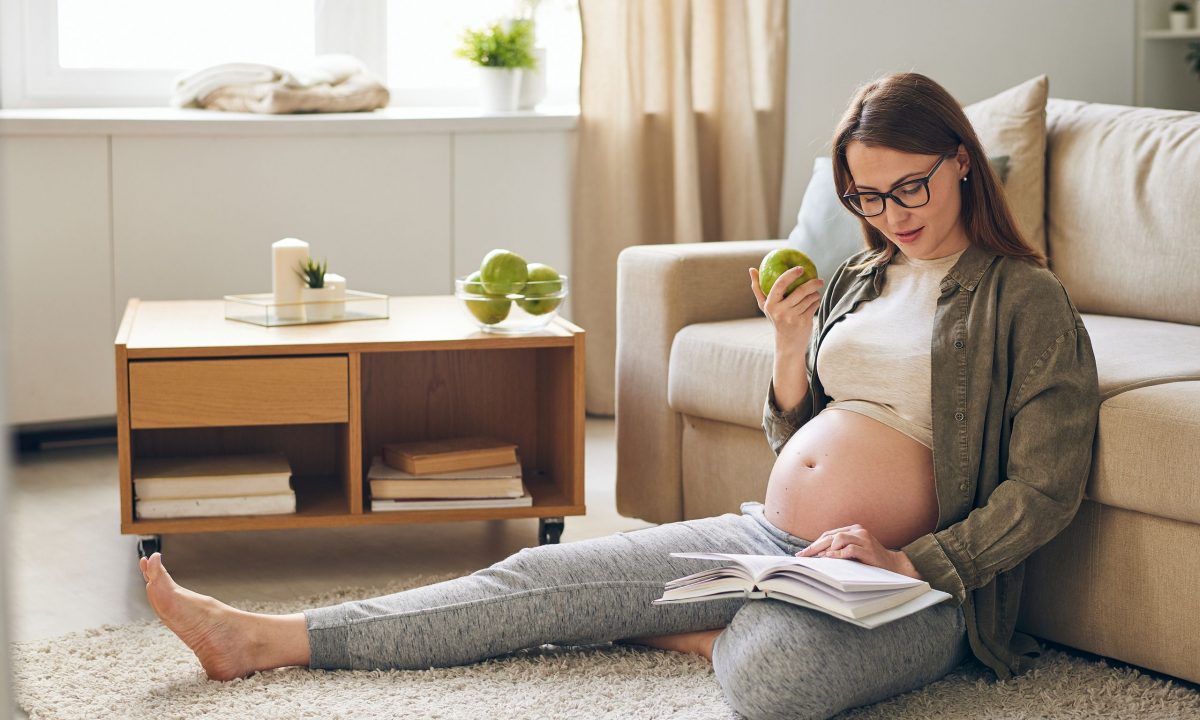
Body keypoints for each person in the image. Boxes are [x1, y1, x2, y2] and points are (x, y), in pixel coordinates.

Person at [138, 72, 1099, 720]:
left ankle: (653, 615)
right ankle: (268, 638)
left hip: (911, 588)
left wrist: (907, 557)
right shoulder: (861, 276)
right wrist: (790, 342)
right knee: (530, 580)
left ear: (963, 160)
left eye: (911, 189)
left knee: (775, 675)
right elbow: (796, 431)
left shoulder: (1025, 299)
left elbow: (1046, 487)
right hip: (775, 543)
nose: (892, 217)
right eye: (868, 199)